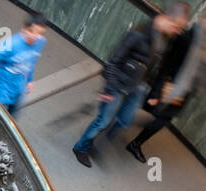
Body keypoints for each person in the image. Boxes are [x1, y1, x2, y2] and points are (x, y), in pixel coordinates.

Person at [72, 10, 187, 167]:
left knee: (125, 121)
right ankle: (81, 147)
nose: (177, 31)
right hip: (118, 85)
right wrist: (110, 88)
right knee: (103, 121)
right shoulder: (137, 35)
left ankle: (98, 143)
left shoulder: (162, 41)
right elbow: (111, 63)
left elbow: (152, 68)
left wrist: (152, 91)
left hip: (137, 87)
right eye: (175, 26)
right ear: (163, 19)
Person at [128, 6, 205, 163]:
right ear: (203, 19)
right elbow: (168, 62)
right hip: (171, 85)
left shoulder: (202, 42)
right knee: (158, 115)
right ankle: (134, 141)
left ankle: (135, 138)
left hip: (183, 90)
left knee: (161, 117)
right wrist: (160, 87)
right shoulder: (186, 37)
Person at [0, 13, 49, 116]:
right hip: (2, 91)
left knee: (13, 119)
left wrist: (29, 79)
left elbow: (32, 60)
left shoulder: (40, 42)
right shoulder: (11, 43)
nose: (36, 37)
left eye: (41, 33)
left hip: (19, 90)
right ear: (24, 29)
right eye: (33, 32)